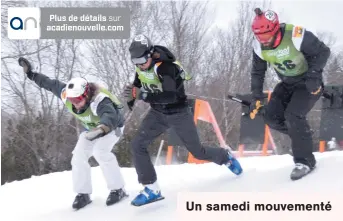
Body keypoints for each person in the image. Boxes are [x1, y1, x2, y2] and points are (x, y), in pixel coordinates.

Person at [123, 34, 243, 207]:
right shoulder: (141, 67)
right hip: (157, 113)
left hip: (179, 113)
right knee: (137, 144)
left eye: (142, 59)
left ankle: (225, 157)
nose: (139, 64)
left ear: (151, 53)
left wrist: (143, 95)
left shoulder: (166, 68)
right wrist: (131, 97)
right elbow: (138, 85)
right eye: (135, 61)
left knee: (197, 152)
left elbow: (170, 96)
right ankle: (152, 189)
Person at [18, 57, 128, 210]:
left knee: (100, 152)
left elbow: (110, 115)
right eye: (72, 100)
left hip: (112, 127)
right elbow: (50, 84)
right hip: (91, 130)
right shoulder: (67, 96)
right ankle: (83, 194)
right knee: (78, 156)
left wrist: (102, 129)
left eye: (77, 100)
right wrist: (31, 74)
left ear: (85, 95)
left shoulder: (99, 100)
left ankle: (118, 189)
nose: (74, 104)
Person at [249, 8, 330, 180]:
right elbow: (257, 72)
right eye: (259, 37)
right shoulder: (258, 45)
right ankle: (303, 137)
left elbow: (323, 51)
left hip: (308, 84)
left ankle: (305, 161)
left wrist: (314, 75)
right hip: (287, 83)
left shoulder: (295, 35)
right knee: (271, 117)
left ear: (276, 30)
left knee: (293, 115)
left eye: (266, 37)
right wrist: (256, 97)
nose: (263, 41)